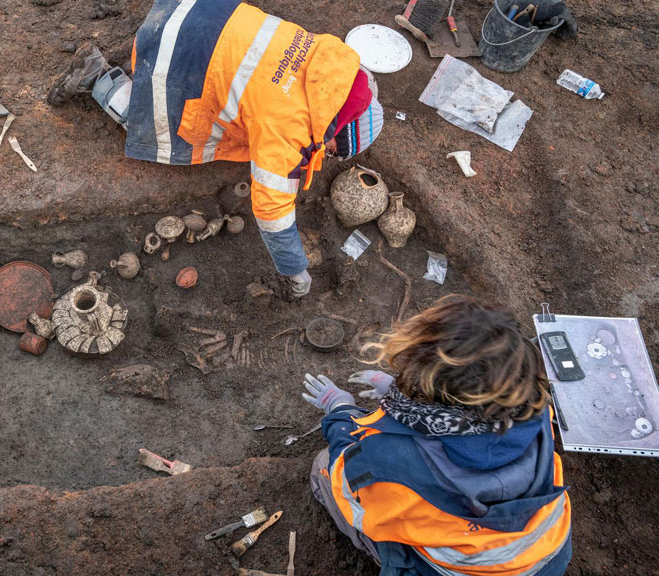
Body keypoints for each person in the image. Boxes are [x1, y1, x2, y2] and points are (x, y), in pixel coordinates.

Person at [48, 0, 383, 298]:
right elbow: (272, 212)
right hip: (172, 54)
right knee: (161, 130)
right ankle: (99, 76)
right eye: (336, 150)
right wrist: (295, 271)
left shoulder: (330, 59)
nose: (327, 151)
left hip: (191, 10)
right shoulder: (290, 127)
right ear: (340, 131)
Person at [301, 295, 572, 576]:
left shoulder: (394, 459)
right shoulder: (533, 406)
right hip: (546, 553)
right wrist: (398, 395)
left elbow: (351, 496)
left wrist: (340, 411)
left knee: (324, 467)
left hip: (449, 569)